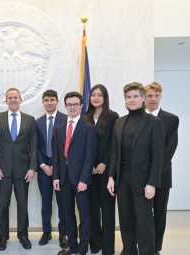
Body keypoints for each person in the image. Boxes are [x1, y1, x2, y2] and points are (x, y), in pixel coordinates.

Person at [107, 82, 165, 255]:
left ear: (143, 98)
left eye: (135, 96)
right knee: (125, 219)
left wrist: (152, 182)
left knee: (144, 221)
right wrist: (111, 177)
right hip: (121, 178)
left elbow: (158, 156)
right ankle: (128, 251)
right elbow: (114, 151)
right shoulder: (119, 122)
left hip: (143, 179)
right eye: (128, 97)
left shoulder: (155, 123)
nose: (132, 100)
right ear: (125, 99)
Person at [0, 87, 38, 251]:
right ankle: (2, 237)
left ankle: (23, 236)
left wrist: (32, 168)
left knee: (22, 205)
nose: (13, 100)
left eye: (15, 97)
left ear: (20, 100)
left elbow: (34, 145)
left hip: (23, 169)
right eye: (10, 97)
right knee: (3, 205)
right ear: (6, 100)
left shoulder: (30, 120)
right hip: (2, 170)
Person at [53, 91, 97, 255]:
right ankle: (72, 246)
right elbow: (57, 156)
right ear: (65, 106)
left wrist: (84, 179)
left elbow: (90, 157)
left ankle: (83, 249)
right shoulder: (59, 129)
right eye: (69, 104)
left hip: (81, 180)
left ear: (81, 106)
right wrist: (56, 176)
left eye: (75, 104)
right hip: (63, 179)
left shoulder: (88, 128)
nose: (72, 107)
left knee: (84, 215)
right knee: (67, 214)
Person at [83, 85, 119, 255]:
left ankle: (108, 247)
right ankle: (95, 242)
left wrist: (105, 163)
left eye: (99, 95)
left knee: (107, 209)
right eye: (93, 95)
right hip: (89, 171)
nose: (96, 98)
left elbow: (115, 144)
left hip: (106, 171)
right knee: (92, 210)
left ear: (105, 97)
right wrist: (89, 165)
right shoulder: (85, 117)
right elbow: (82, 146)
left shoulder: (113, 117)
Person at [145, 82, 179, 255]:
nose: (152, 99)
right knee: (142, 215)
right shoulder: (136, 118)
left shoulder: (171, 119)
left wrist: (154, 174)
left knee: (159, 214)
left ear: (161, 96)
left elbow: (169, 149)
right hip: (139, 176)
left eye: (155, 95)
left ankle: (156, 248)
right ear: (144, 97)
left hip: (162, 175)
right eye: (149, 95)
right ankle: (143, 245)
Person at [36, 90, 68, 248]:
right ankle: (46, 232)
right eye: (46, 100)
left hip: (61, 166)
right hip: (43, 168)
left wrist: (57, 164)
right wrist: (42, 165)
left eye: (52, 100)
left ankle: (64, 234)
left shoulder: (65, 119)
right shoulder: (38, 122)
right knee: (46, 202)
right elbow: (36, 147)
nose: (49, 103)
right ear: (42, 102)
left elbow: (68, 144)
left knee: (63, 202)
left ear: (57, 101)